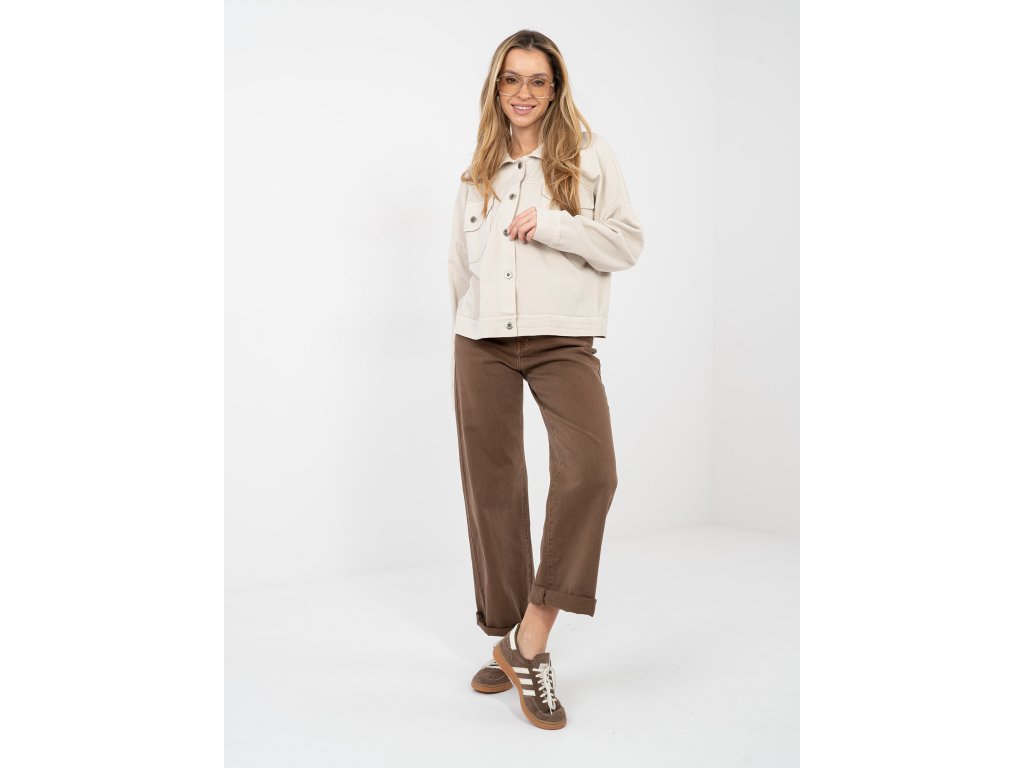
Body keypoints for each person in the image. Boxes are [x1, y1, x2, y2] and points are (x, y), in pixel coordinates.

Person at [447, 29, 644, 730]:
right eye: (512, 79)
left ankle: (530, 640)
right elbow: (459, 267)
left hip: (562, 339)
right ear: (496, 87)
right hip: (481, 343)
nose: (523, 92)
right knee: (493, 490)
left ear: (555, 88)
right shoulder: (479, 170)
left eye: (537, 80)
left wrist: (557, 226)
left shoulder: (588, 154)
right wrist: (464, 331)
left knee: (592, 472)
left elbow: (627, 241)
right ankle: (507, 640)